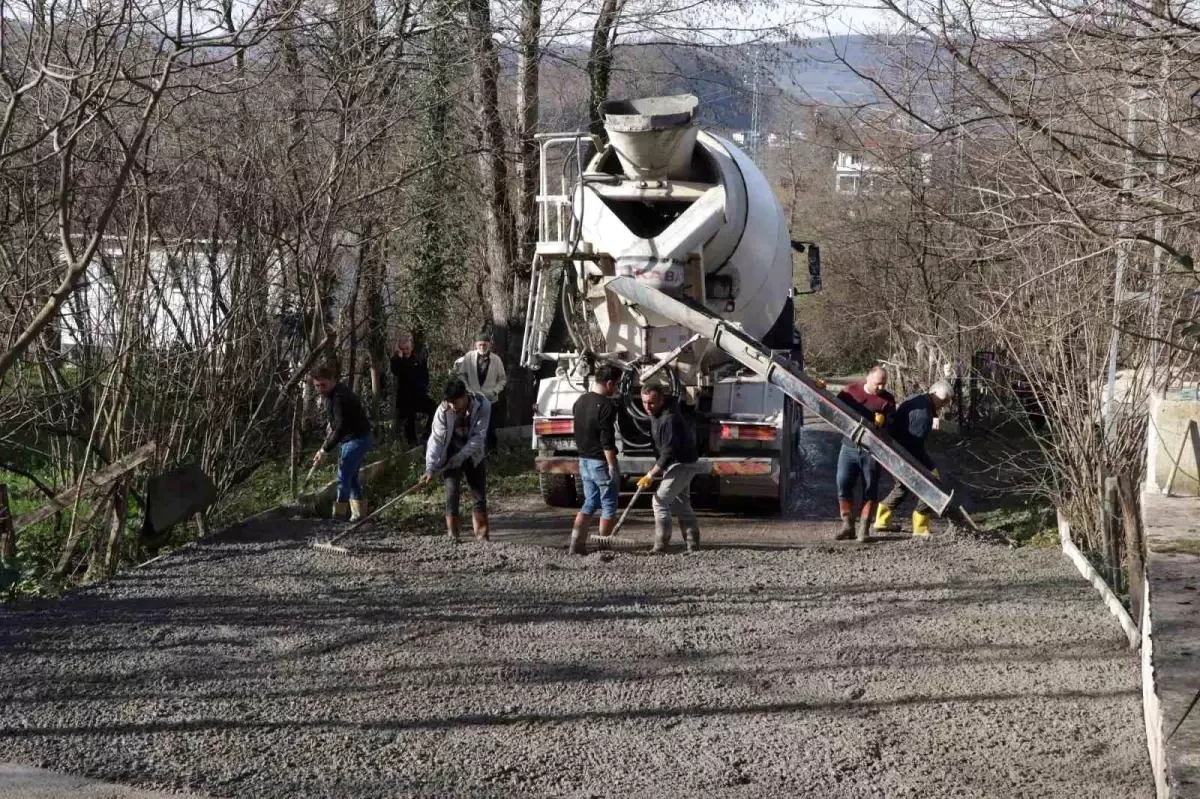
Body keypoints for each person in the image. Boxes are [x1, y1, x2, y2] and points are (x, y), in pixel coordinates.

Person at [875, 380, 954, 538]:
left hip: (894, 449)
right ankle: (921, 527)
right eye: (944, 401)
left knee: (902, 487)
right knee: (932, 484)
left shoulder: (917, 399)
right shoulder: (924, 415)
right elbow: (914, 445)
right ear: (936, 395)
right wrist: (925, 469)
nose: (944, 405)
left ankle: (881, 520)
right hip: (903, 453)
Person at [422, 377, 491, 542]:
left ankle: (482, 537)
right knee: (452, 492)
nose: (452, 406)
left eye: (455, 401)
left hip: (474, 453)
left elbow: (478, 437)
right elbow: (436, 440)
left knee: (478, 493)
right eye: (449, 402)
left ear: (465, 396)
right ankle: (453, 536)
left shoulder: (483, 404)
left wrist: (461, 456)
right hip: (451, 453)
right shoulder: (443, 410)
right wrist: (430, 467)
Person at [834, 366, 897, 542]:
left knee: (870, 488)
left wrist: (882, 425)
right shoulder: (850, 391)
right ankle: (847, 525)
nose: (881, 388)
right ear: (868, 378)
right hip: (848, 446)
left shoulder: (887, 400)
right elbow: (834, 412)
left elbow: (892, 428)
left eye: (884, 384)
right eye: (878, 383)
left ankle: (864, 529)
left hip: (872, 451)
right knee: (843, 483)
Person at [638, 384, 700, 554]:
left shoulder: (669, 419)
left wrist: (651, 474)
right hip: (677, 464)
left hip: (682, 464)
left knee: (659, 501)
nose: (647, 407)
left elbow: (669, 451)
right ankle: (693, 545)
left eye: (651, 403)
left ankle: (661, 545)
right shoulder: (656, 416)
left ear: (661, 400)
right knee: (682, 504)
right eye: (644, 402)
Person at [568, 363, 622, 555]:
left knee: (590, 502)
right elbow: (607, 442)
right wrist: (612, 466)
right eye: (616, 384)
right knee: (609, 504)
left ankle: (576, 545)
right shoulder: (607, 406)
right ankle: (604, 547)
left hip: (583, 459)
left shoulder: (580, 401)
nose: (616, 389)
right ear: (609, 383)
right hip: (600, 461)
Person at [311, 364, 372, 522]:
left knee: (343, 476)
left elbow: (341, 427)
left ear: (332, 380)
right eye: (317, 386)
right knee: (351, 478)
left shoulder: (339, 396)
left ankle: (338, 517)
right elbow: (337, 423)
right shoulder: (333, 394)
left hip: (356, 439)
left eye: (323, 384)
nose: (320, 389)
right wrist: (330, 426)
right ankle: (359, 515)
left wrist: (324, 450)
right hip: (355, 438)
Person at [456, 330, 507, 453]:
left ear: (489, 344)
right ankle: (472, 452)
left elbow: (503, 379)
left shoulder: (496, 360)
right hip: (472, 399)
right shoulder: (468, 357)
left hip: (490, 399)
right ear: (476, 345)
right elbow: (461, 375)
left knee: (490, 427)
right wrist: (468, 389)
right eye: (480, 344)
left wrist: (495, 391)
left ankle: (491, 452)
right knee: (472, 427)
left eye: (484, 344)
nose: (482, 347)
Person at [389, 333, 434, 446]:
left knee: (435, 409)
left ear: (411, 347)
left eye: (407, 348)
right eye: (403, 349)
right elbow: (396, 371)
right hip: (405, 399)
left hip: (419, 396)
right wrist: (398, 356)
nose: (406, 351)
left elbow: (425, 375)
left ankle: (427, 434)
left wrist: (424, 387)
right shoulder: (397, 360)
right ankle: (412, 446)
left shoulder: (418, 359)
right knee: (409, 424)